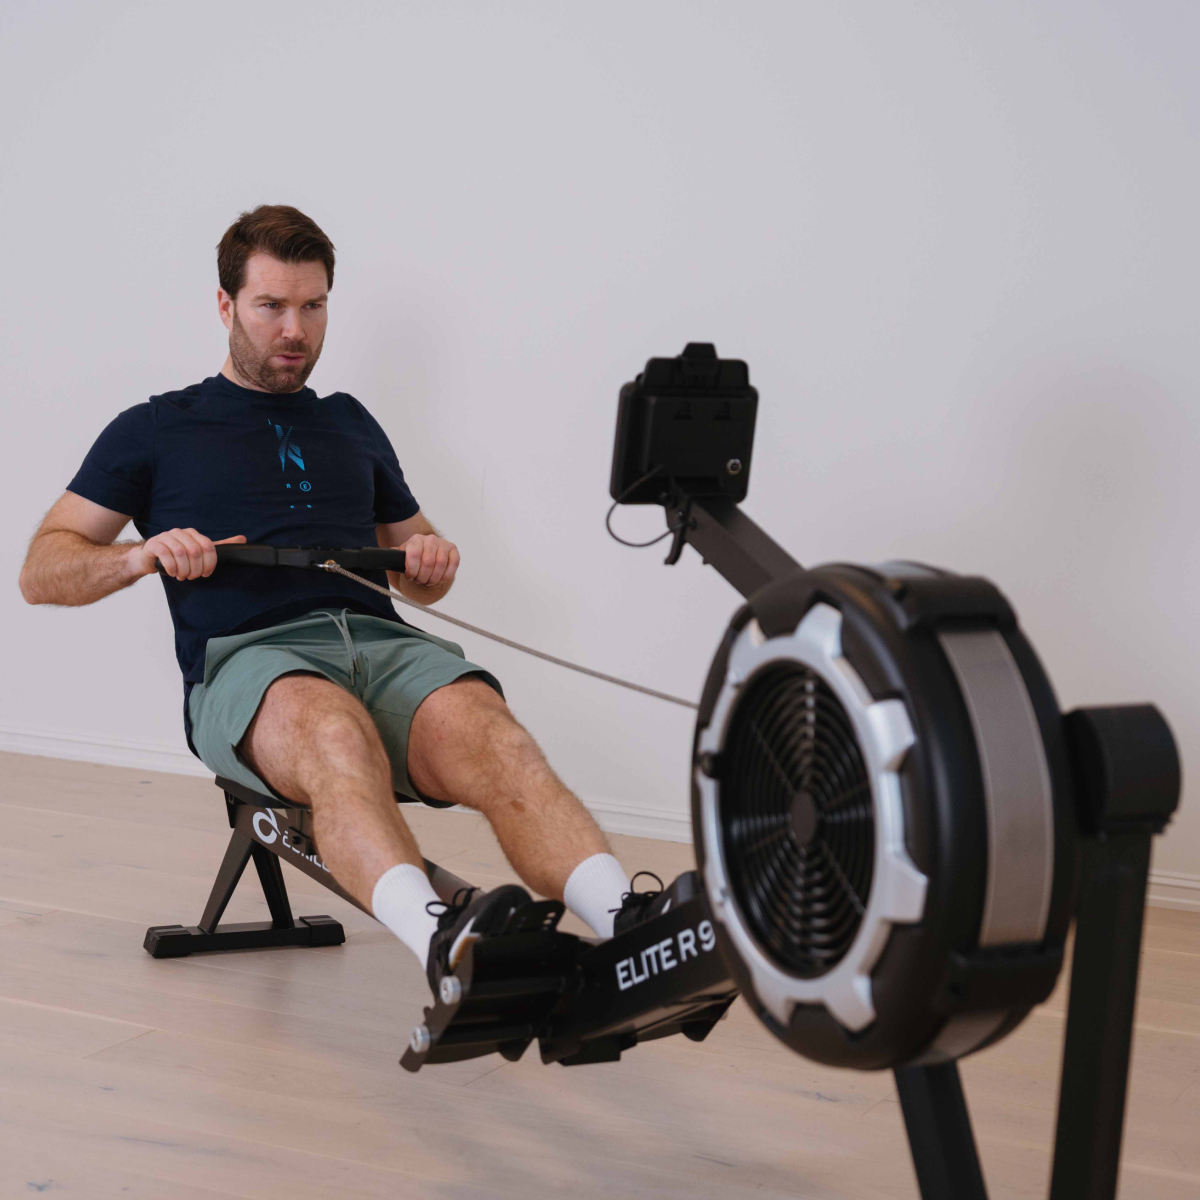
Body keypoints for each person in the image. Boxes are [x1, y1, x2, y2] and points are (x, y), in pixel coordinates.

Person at [19, 205, 657, 996]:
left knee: (497, 737)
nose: (295, 330)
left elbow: (421, 573)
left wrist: (431, 558)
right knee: (333, 734)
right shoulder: (155, 428)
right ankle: (445, 950)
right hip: (250, 663)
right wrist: (139, 556)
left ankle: (634, 931)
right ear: (225, 305)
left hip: (383, 647)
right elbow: (42, 569)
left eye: (313, 306)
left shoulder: (350, 422)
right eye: (271, 306)